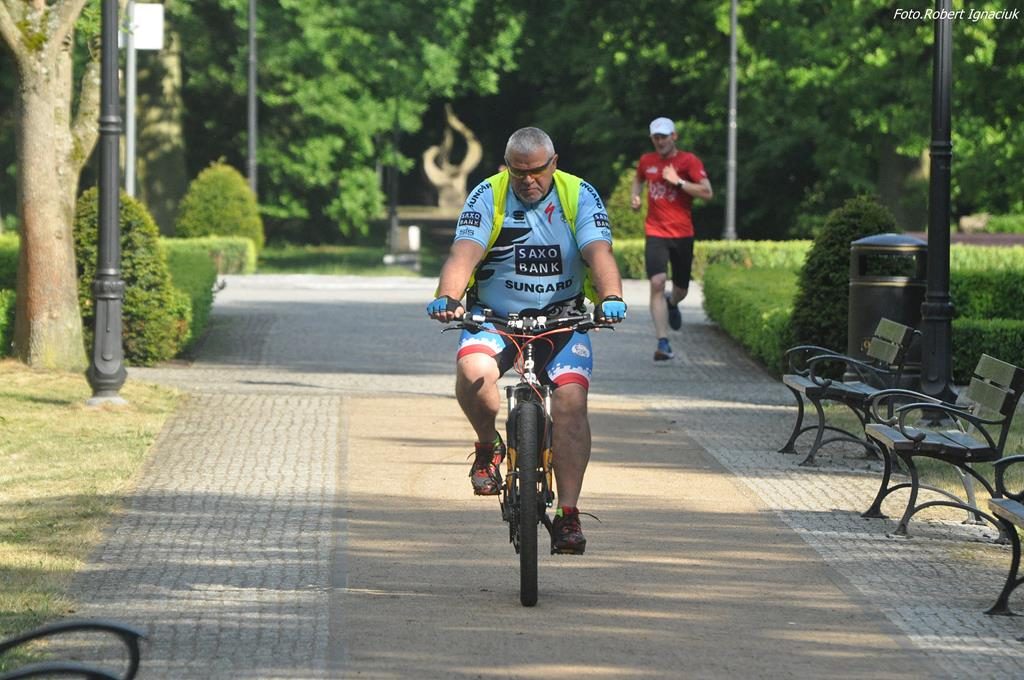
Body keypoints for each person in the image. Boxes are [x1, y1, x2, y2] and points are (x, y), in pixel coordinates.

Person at [427, 127, 626, 555]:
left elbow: (599, 253)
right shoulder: (488, 195)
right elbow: (463, 254)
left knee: (571, 402)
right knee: (473, 371)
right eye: (518, 172)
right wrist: (449, 297)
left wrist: (610, 297)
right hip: (495, 318)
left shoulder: (578, 194)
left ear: (554, 163)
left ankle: (568, 514)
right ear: (507, 167)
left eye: (536, 171)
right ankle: (488, 446)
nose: (528, 181)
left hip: (562, 319)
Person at [630, 117, 713, 361]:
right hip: (655, 231)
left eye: (664, 137)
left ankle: (673, 303)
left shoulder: (689, 161)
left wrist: (679, 181)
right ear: (651, 139)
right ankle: (662, 342)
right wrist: (636, 197)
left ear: (674, 136)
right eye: (656, 137)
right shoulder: (647, 161)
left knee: (681, 289)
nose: (660, 141)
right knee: (657, 282)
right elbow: (638, 179)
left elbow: (707, 192)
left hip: (682, 234)